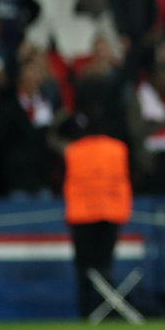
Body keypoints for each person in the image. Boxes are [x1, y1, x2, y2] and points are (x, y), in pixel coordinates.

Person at [60, 115, 132, 319]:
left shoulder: (74, 150)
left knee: (83, 267)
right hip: (110, 213)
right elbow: (123, 181)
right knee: (104, 265)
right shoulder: (118, 149)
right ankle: (104, 311)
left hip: (81, 215)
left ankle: (86, 311)